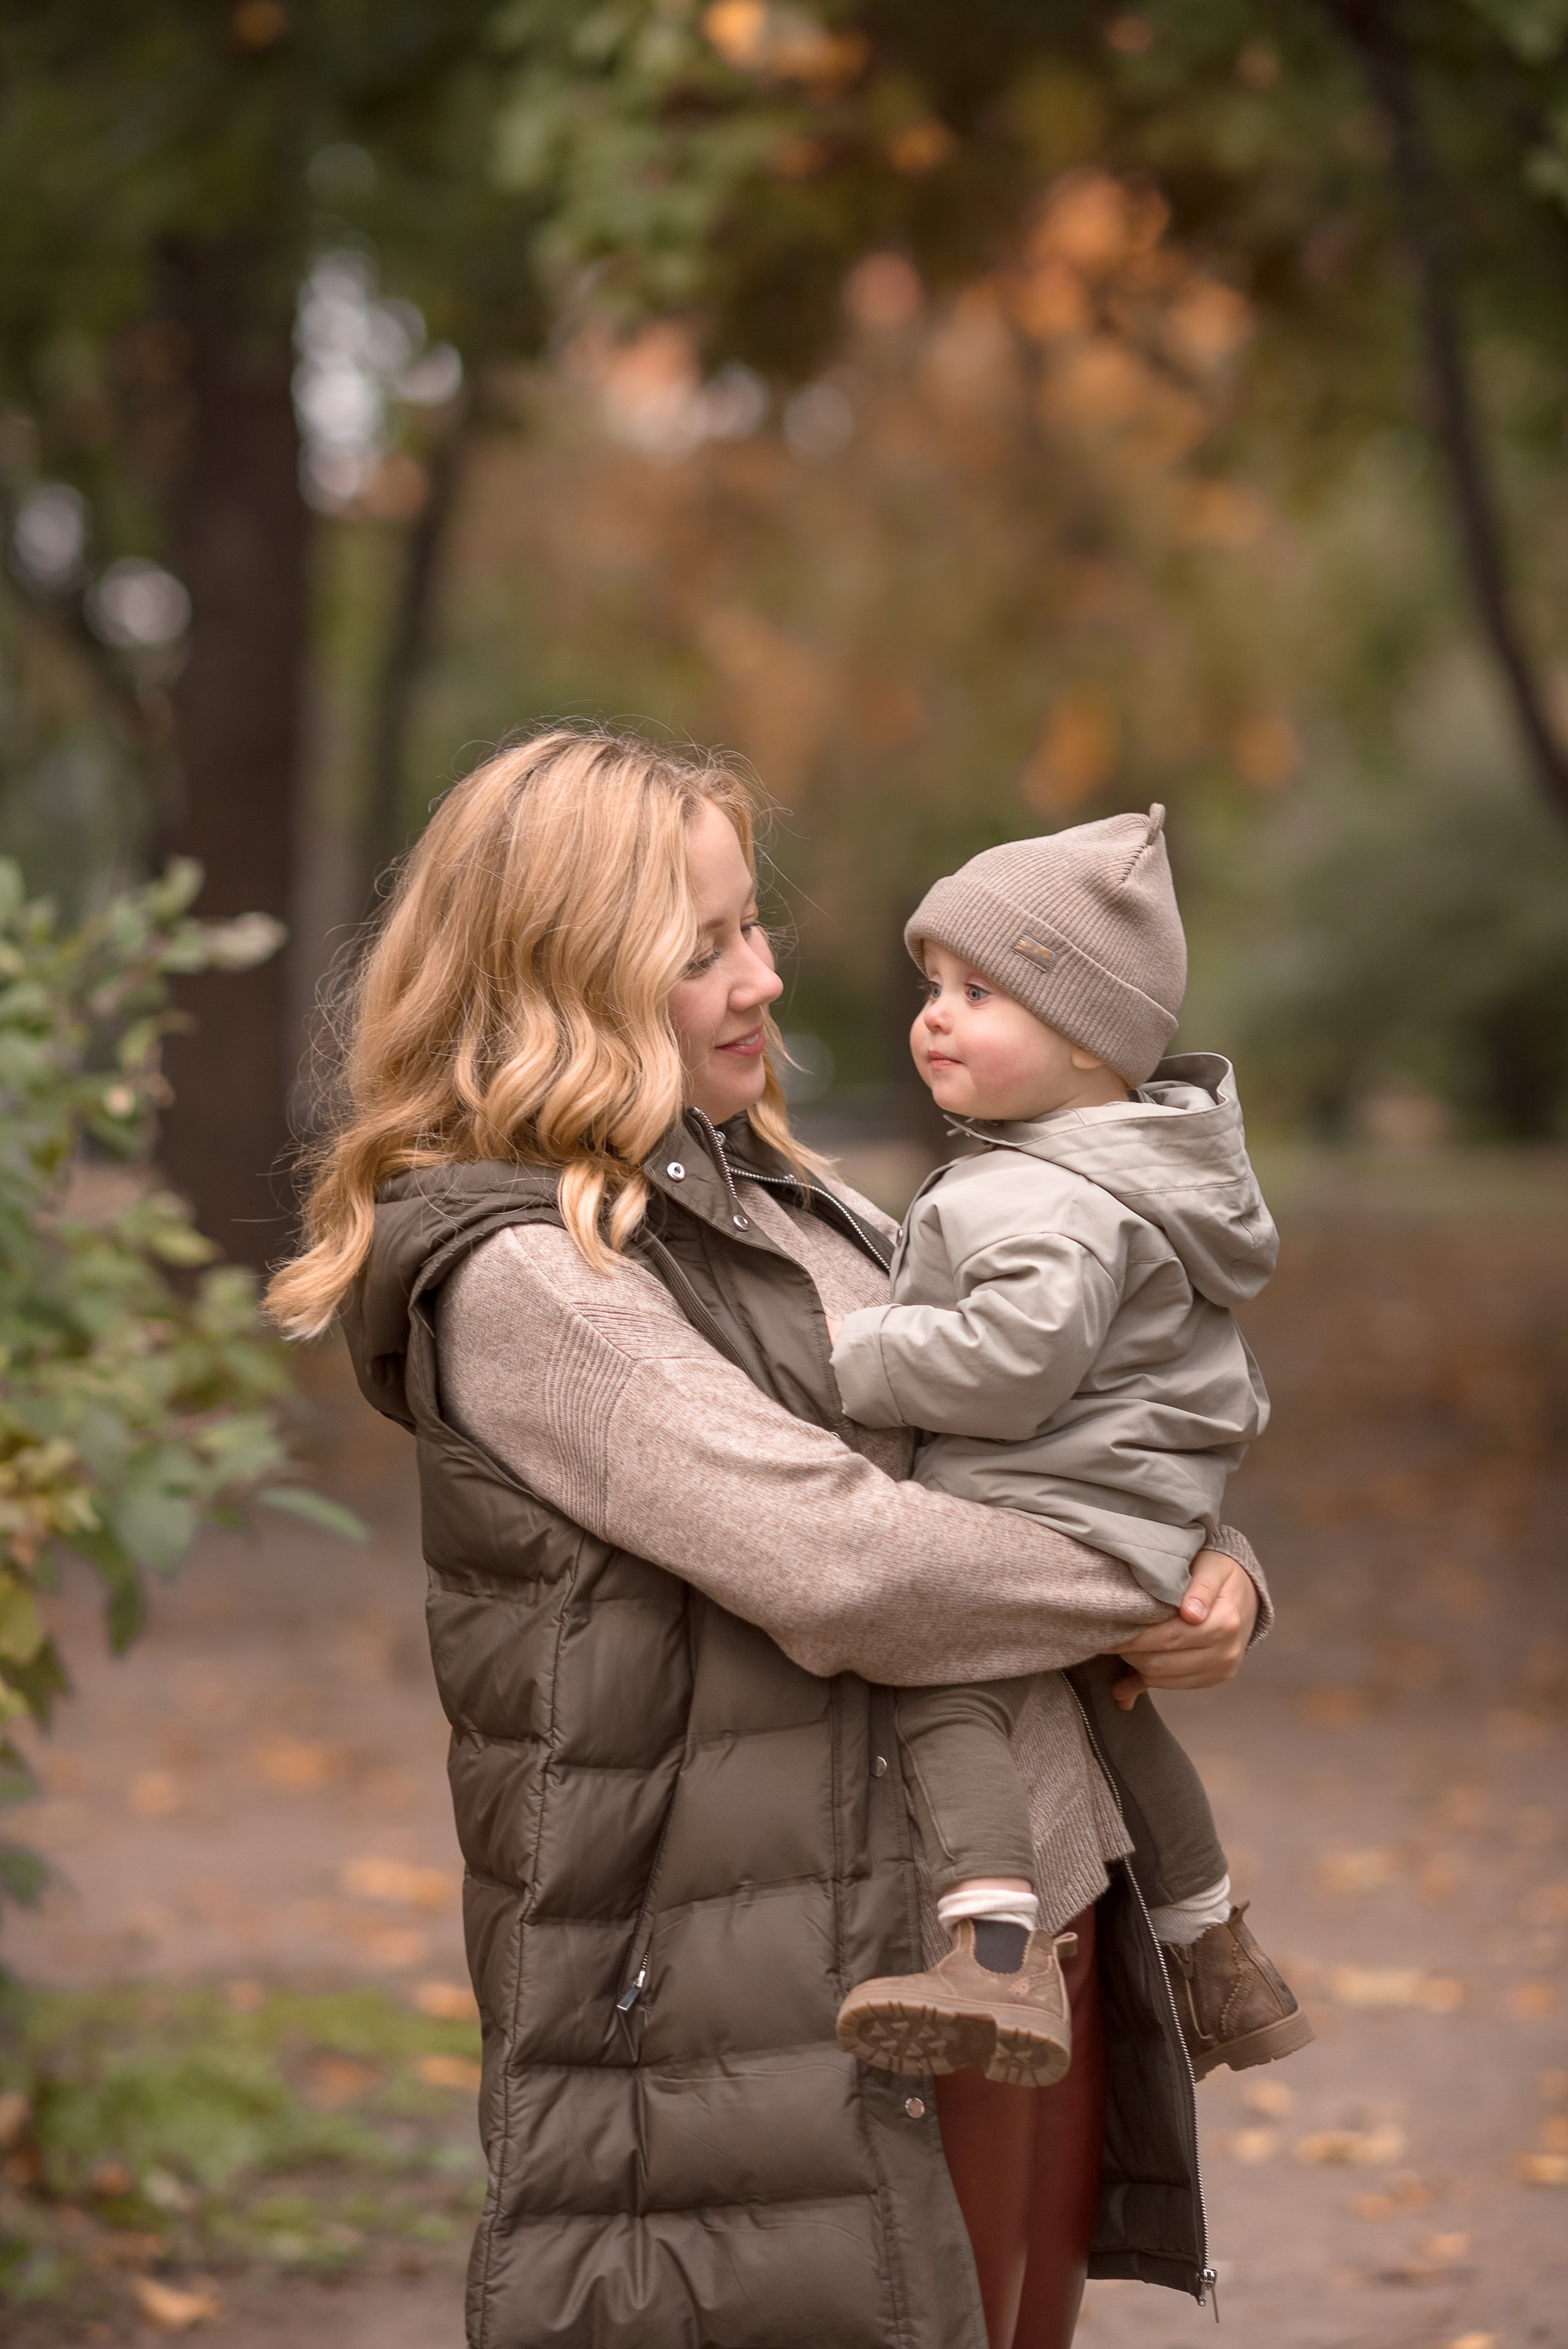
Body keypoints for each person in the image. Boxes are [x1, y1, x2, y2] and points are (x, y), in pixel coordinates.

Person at [266, 727, 1271, 2349]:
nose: (763, 980)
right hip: (808, 1976)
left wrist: (1223, 1571)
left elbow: (1049, 1434)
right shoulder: (534, 1277)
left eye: (754, 927)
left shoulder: (779, 1193)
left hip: (1025, 1904)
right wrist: (1132, 1580)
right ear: (561, 980)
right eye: (702, 950)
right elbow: (847, 1566)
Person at [831, 809, 1312, 2094]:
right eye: (933, 985)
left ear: (1089, 1038)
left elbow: (1008, 1364)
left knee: (941, 1677)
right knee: (1110, 1711)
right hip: (1129, 1514)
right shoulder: (1121, 1175)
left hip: (1051, 1513)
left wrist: (853, 1352)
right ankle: (1216, 1954)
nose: (935, 1017)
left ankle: (994, 1955)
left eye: (979, 993)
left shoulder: (1041, 1194)